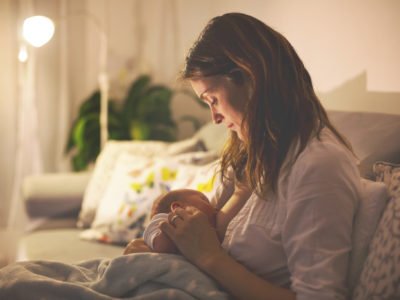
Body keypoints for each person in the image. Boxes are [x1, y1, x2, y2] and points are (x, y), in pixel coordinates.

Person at [127, 12, 363, 300]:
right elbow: (200, 238)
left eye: (212, 99)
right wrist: (154, 251)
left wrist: (211, 258)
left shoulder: (318, 166)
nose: (214, 117)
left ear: (250, 77)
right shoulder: (244, 155)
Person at [143, 188, 217, 254]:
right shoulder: (160, 220)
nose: (213, 208)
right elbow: (160, 245)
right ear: (177, 208)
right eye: (204, 200)